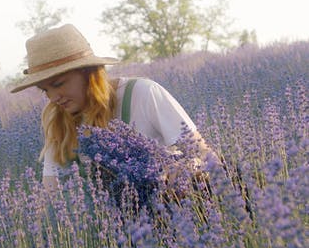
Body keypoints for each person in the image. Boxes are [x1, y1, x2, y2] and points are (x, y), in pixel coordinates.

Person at [11, 23, 213, 196]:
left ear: (88, 73)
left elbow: (205, 156)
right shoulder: (57, 119)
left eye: (58, 84)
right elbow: (52, 193)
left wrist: (181, 170)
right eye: (44, 90)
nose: (53, 98)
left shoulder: (142, 94)